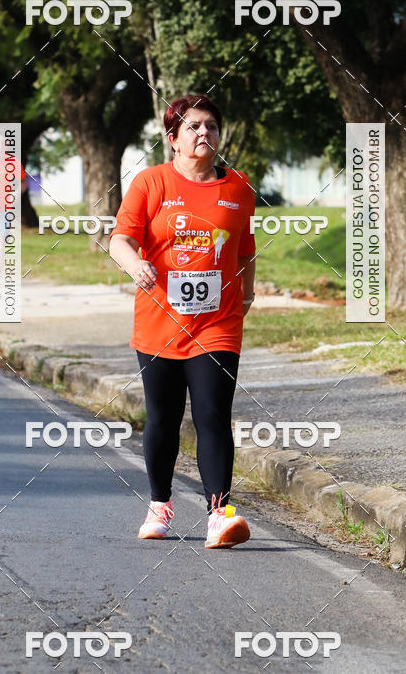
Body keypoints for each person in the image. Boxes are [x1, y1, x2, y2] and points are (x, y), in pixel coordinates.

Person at [109, 94, 256, 549]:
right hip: (159, 322)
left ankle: (219, 515)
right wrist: (136, 265)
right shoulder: (150, 183)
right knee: (163, 420)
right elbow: (119, 239)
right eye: (192, 127)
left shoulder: (238, 189)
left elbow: (246, 250)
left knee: (213, 414)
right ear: (172, 138)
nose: (203, 134)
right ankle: (159, 504)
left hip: (218, 322)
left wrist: (248, 294)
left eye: (211, 125)